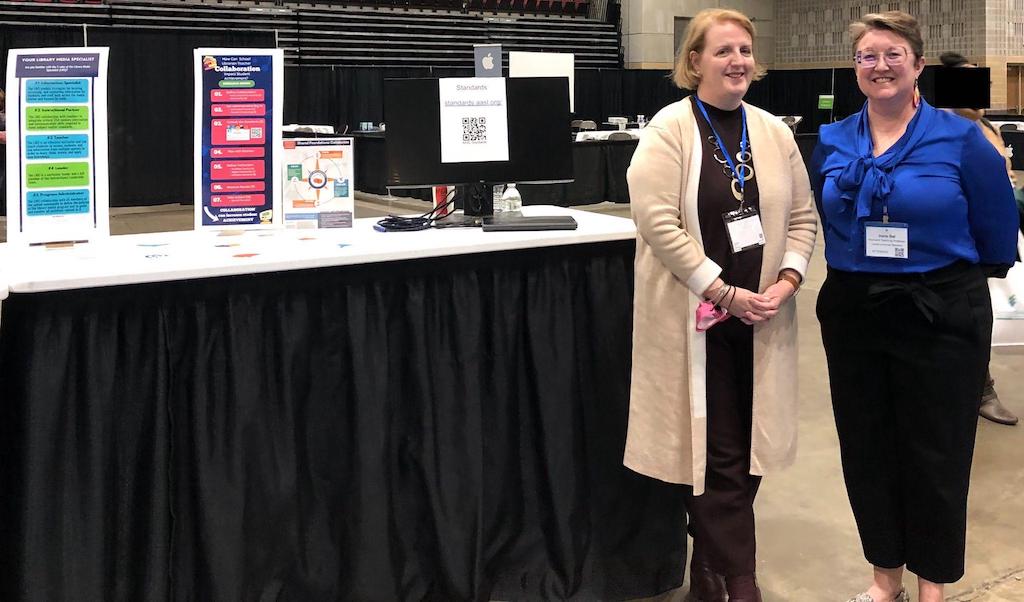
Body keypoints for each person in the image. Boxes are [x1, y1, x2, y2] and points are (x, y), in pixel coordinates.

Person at [811, 11, 1019, 602]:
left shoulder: (960, 139)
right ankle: (885, 579)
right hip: (855, 312)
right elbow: (822, 217)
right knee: (867, 448)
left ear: (918, 64)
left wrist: (941, 272)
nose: (880, 66)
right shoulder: (833, 140)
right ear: (856, 70)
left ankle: (932, 585)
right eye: (867, 56)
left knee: (937, 453)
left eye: (892, 54)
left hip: (939, 311)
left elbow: (998, 230)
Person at [624, 8, 818, 602]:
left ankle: (708, 571)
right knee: (716, 451)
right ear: (694, 62)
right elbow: (656, 220)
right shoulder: (669, 128)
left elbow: (805, 219)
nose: (737, 61)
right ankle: (742, 581)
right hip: (698, 319)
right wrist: (720, 290)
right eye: (723, 51)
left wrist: (786, 281)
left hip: (762, 317)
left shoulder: (774, 131)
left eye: (745, 50)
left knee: (749, 449)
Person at [938, 50, 1019, 426]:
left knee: (980, 316)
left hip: (993, 233)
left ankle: (976, 385)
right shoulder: (943, 126)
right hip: (959, 239)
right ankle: (975, 388)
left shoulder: (989, 126)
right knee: (960, 318)